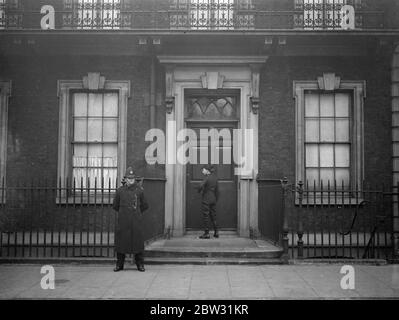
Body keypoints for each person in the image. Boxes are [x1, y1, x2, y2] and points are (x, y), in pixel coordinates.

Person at [112, 167, 149, 272]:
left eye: (132, 178)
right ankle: (119, 265)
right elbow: (115, 206)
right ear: (125, 179)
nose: (131, 179)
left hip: (136, 221)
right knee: (121, 244)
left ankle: (140, 264)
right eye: (129, 178)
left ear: (134, 179)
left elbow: (145, 205)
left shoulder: (140, 191)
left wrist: (136, 213)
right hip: (123, 222)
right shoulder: (120, 191)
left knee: (137, 243)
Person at [197, 164, 219, 239]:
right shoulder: (215, 178)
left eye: (203, 169)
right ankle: (216, 232)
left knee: (206, 216)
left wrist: (199, 191)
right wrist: (215, 198)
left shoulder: (207, 178)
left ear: (207, 170)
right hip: (213, 199)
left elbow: (200, 186)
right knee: (214, 215)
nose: (202, 171)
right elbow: (217, 190)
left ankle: (207, 234)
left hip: (206, 199)